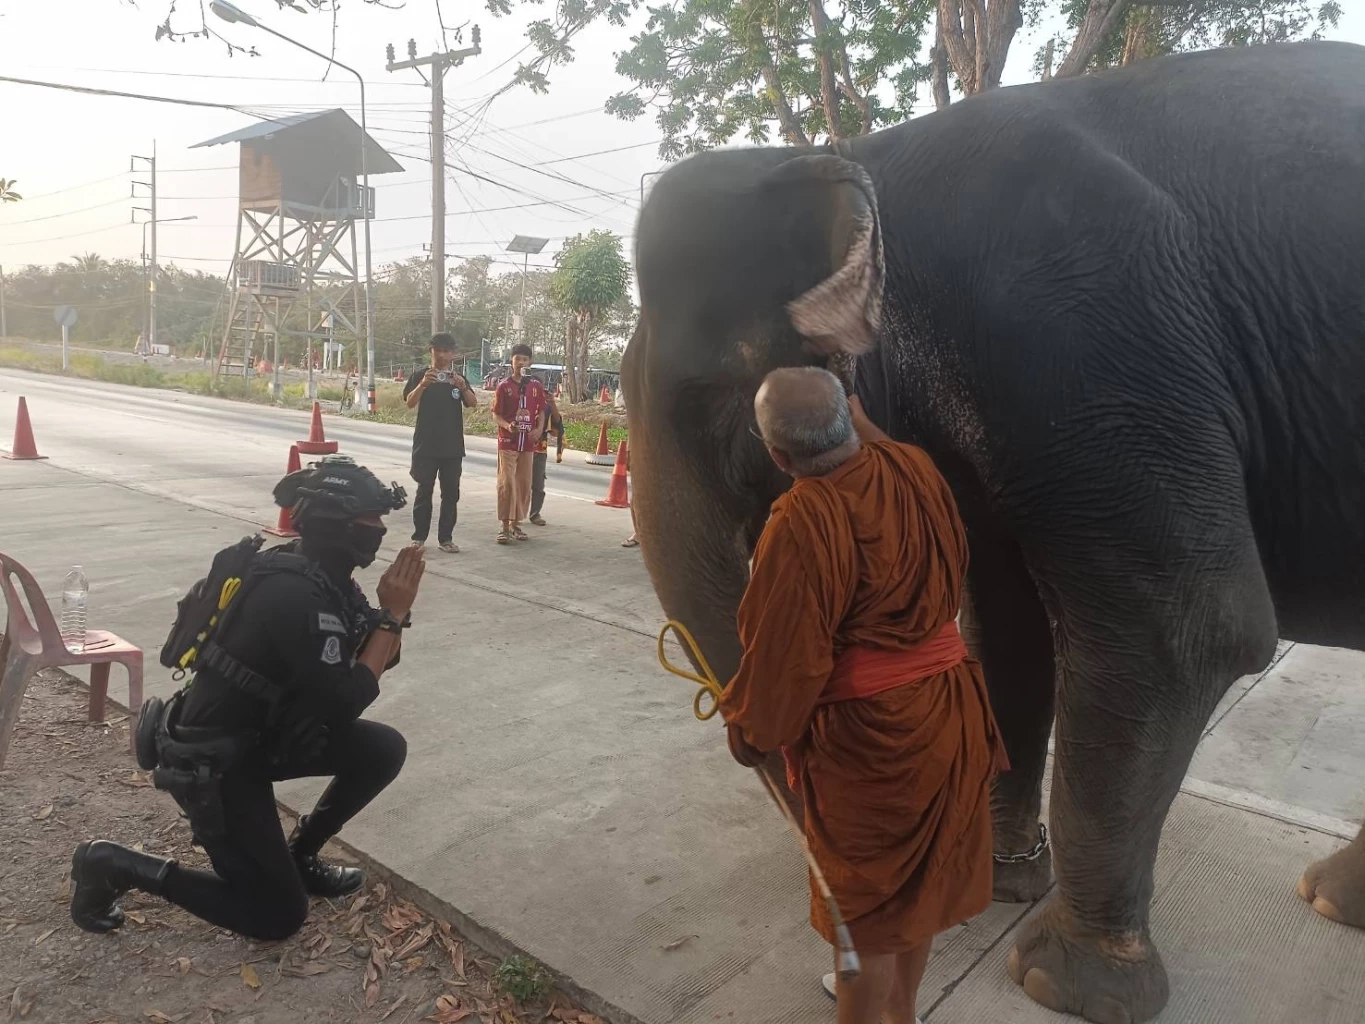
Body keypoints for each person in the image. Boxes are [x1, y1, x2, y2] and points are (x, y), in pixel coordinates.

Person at [719, 367, 1008, 1024]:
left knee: (868, 919)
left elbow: (785, 659)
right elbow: (874, 445)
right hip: (951, 710)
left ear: (776, 457)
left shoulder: (800, 519)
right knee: (919, 889)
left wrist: (749, 731)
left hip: (872, 742)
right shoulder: (911, 468)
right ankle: (901, 1011)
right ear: (851, 423)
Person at [69, 456, 426, 942]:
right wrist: (394, 614)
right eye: (370, 521)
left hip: (258, 737)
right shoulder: (292, 596)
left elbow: (380, 660)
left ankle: (299, 857)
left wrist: (387, 620)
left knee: (383, 749)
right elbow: (349, 696)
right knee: (276, 916)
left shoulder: (324, 576)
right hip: (214, 761)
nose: (381, 531)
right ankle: (112, 865)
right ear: (336, 526)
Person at [404, 333, 477, 553]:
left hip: (452, 448)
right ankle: (419, 538)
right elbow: (409, 402)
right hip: (426, 445)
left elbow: (472, 403)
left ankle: (446, 538)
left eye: (447, 351)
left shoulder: (458, 378)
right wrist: (424, 384)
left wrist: (463, 387)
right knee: (423, 491)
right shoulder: (420, 375)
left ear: (453, 354)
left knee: (450, 494)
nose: (442, 355)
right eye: (438, 350)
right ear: (431, 351)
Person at [490, 344, 546, 544]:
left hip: (528, 444)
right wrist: (507, 426)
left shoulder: (536, 386)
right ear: (511, 361)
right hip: (508, 441)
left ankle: (516, 524)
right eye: (517, 358)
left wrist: (539, 429)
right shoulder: (503, 386)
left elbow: (541, 410)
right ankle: (504, 526)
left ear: (529, 362)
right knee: (507, 482)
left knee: (523, 483)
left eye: (524, 359)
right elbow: (496, 414)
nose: (521, 362)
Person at [528, 381, 563, 527]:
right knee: (518, 484)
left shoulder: (546, 406)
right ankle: (514, 515)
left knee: (538, 484)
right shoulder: (523, 402)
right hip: (520, 448)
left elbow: (557, 423)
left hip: (539, 450)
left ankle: (535, 514)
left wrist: (552, 403)